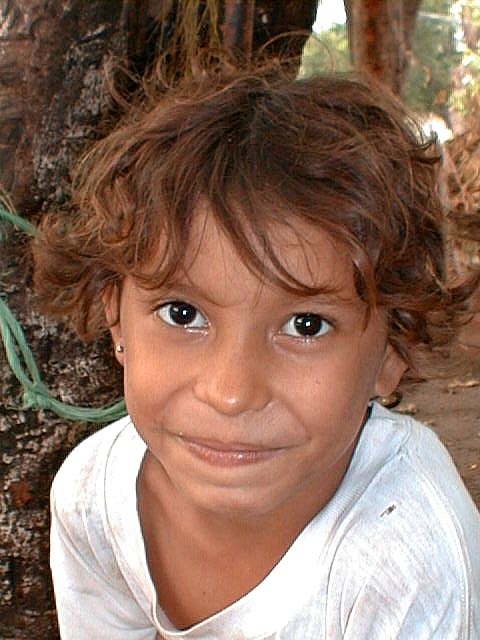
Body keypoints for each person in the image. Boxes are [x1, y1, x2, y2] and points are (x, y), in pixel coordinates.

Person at [33, 67, 480, 639]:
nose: (231, 392)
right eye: (182, 314)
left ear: (392, 352)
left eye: (306, 325)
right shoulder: (93, 502)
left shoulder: (406, 559)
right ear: (116, 320)